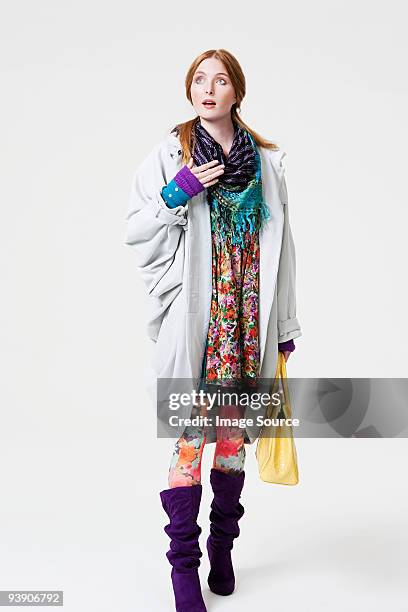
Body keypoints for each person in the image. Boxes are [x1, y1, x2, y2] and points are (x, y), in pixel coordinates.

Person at [124, 48, 302, 611]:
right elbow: (139, 233)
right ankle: (183, 570)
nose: (207, 88)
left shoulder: (267, 164)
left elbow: (285, 252)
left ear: (236, 92)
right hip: (200, 322)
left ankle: (223, 548)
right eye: (198, 79)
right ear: (189, 90)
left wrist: (285, 328)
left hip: (250, 318)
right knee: (189, 440)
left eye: (219, 80)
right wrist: (177, 193)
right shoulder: (169, 154)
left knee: (232, 439)